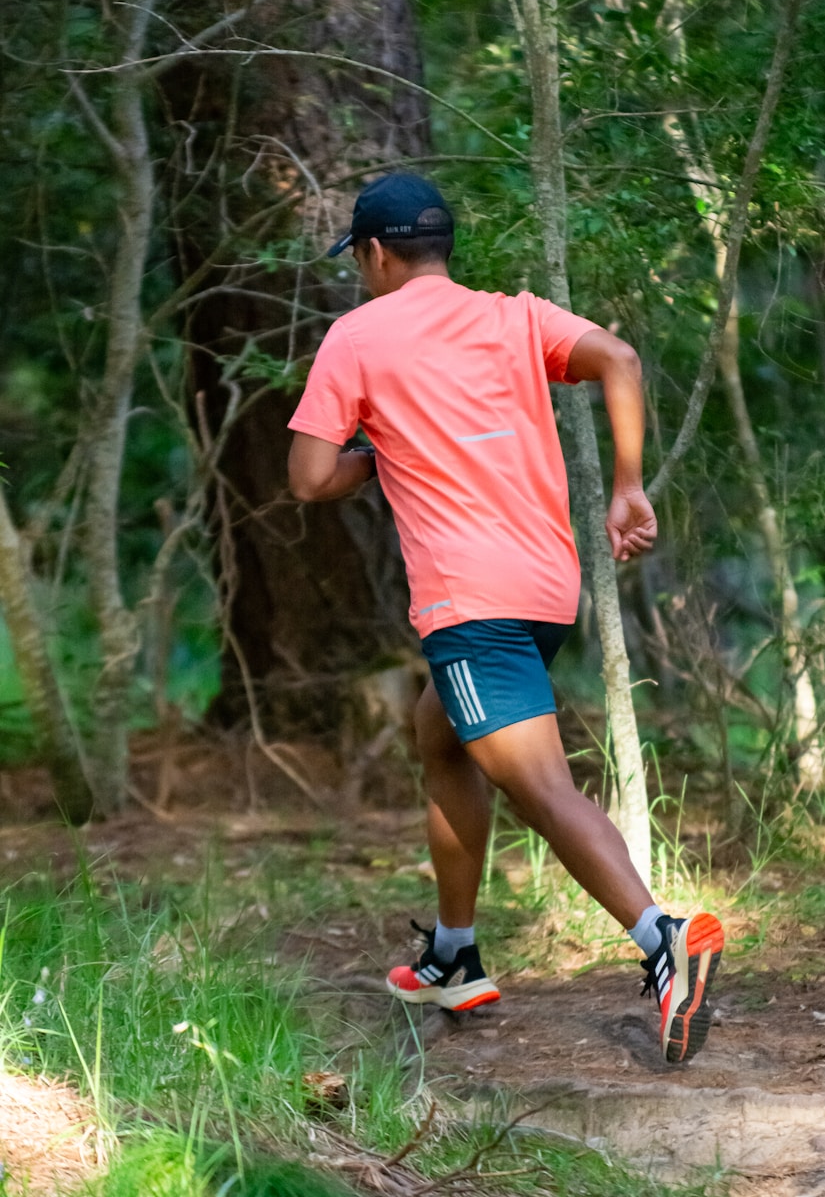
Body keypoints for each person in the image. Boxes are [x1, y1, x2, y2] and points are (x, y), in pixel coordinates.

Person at [287, 172, 724, 1063]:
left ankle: (662, 940)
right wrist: (629, 485)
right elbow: (621, 359)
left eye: (361, 259)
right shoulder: (515, 315)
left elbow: (309, 478)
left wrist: (380, 445)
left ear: (372, 254)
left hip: (469, 599)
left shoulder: (356, 336)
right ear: (442, 247)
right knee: (441, 737)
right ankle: (454, 953)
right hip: (544, 584)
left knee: (539, 786)